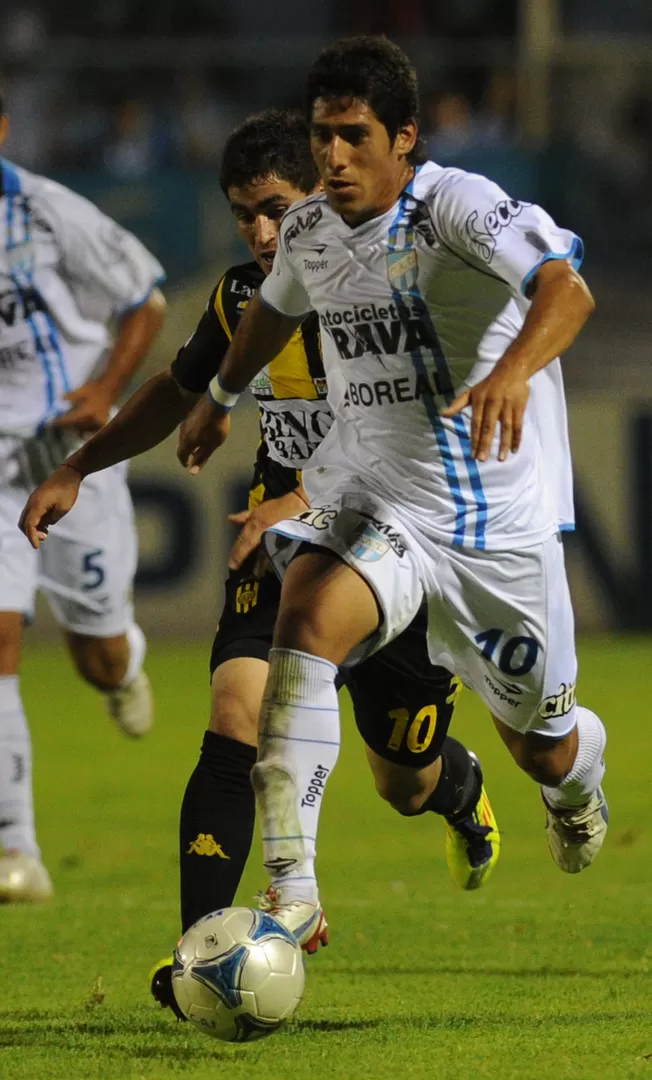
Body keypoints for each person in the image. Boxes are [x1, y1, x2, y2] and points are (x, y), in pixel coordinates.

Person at [19, 111, 499, 983]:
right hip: (279, 543)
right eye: (244, 214)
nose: (262, 232)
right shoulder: (246, 296)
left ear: (319, 190)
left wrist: (307, 492)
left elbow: (414, 434)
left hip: (393, 534)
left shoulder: (389, 289)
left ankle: (460, 792)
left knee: (406, 782)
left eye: (276, 207)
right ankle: (200, 954)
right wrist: (80, 465)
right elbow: (182, 383)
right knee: (235, 715)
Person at [172, 35, 608, 949]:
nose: (332, 157)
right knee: (304, 620)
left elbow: (566, 291)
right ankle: (292, 893)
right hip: (384, 500)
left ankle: (575, 787)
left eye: (353, 136)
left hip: (495, 530)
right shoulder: (308, 231)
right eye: (323, 135)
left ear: (404, 137)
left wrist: (514, 372)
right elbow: (274, 309)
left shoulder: (457, 207)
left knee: (543, 747)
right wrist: (217, 397)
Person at [0, 89, 166, 901]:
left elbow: (147, 297)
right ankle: (15, 850)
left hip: (70, 459)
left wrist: (107, 386)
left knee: (95, 655)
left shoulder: (47, 211)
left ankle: (123, 663)